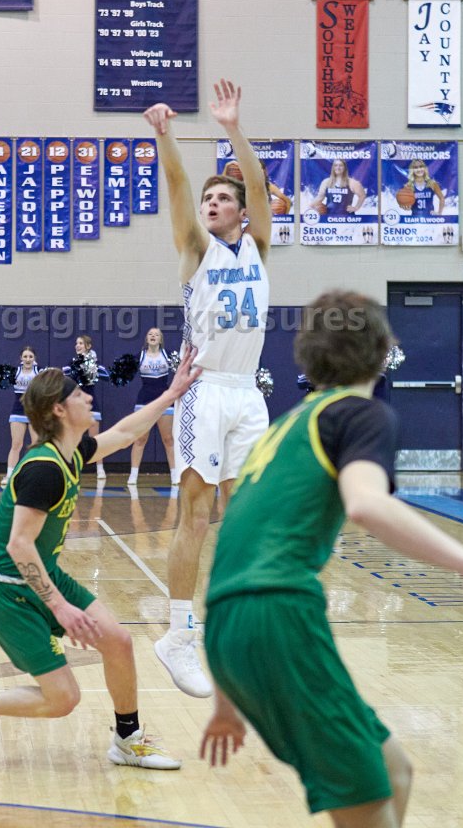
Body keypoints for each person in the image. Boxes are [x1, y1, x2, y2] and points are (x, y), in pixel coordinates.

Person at [200, 290, 463, 828]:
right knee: (368, 803)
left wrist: (227, 702)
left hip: (228, 624)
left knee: (393, 770)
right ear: (385, 349)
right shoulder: (360, 414)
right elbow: (366, 504)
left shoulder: (284, 427)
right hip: (278, 616)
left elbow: (236, 549)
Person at [0, 350, 201, 773]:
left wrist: (171, 394)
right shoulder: (43, 469)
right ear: (59, 409)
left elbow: (124, 432)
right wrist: (60, 607)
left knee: (118, 641)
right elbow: (19, 545)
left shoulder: (73, 452)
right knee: (63, 699)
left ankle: (128, 740)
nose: (89, 397)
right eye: (79, 395)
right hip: (8, 593)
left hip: (44, 576)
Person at [143, 78, 272, 698]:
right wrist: (165, 137)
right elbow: (176, 186)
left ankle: (239, 630)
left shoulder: (258, 246)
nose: (213, 202)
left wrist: (232, 128)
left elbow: (259, 186)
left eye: (224, 197)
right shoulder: (197, 249)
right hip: (205, 388)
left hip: (248, 393)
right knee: (195, 515)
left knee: (247, 517)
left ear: (242, 212)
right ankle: (178, 635)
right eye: (210, 197)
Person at [127, 327, 177, 497]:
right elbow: (124, 373)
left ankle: (174, 475)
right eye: (150, 334)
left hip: (164, 400)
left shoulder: (169, 356)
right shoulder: (139, 356)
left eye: (156, 334)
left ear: (161, 339)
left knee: (168, 439)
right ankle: (133, 475)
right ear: (146, 339)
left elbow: (182, 371)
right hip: (144, 401)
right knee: (140, 439)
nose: (153, 336)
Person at [63, 334, 108, 480]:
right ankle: (70, 467)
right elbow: (64, 376)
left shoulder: (94, 363)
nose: (78, 345)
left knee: (95, 439)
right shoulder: (72, 363)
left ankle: (100, 468)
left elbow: (106, 376)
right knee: (73, 438)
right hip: (75, 404)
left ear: (88, 346)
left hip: (91, 404)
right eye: (77, 343)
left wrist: (92, 367)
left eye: (81, 343)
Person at [1, 345, 39, 487]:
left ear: (34, 358)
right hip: (18, 411)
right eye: (25, 356)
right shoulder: (15, 372)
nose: (28, 359)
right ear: (21, 358)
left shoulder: (39, 371)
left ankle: (35, 475)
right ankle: (10, 475)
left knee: (35, 445)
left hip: (34, 412)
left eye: (30, 356)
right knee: (16, 444)